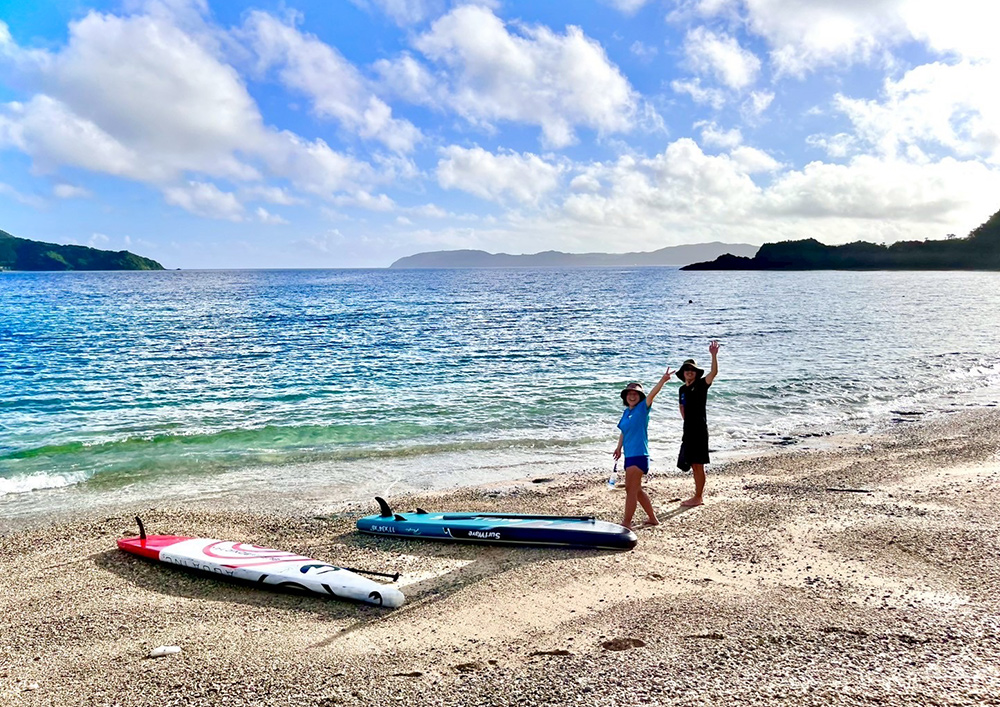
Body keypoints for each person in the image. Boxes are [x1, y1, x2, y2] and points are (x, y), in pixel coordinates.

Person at [612, 366, 674, 530]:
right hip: (629, 455)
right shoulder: (626, 413)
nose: (632, 396)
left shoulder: (642, 409)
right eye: (629, 393)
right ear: (626, 397)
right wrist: (618, 448)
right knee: (635, 490)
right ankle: (653, 519)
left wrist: (663, 380)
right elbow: (624, 432)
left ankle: (626, 523)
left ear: (639, 397)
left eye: (635, 394)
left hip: (640, 455)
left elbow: (653, 394)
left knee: (631, 490)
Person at [676, 340, 721, 507]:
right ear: (683, 373)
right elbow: (682, 406)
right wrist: (686, 421)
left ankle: (698, 497)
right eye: (687, 370)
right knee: (692, 464)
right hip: (688, 429)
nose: (689, 372)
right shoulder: (682, 389)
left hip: (700, 429)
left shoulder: (702, 385)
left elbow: (714, 372)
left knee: (698, 464)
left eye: (692, 370)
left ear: (696, 373)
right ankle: (696, 495)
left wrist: (713, 355)